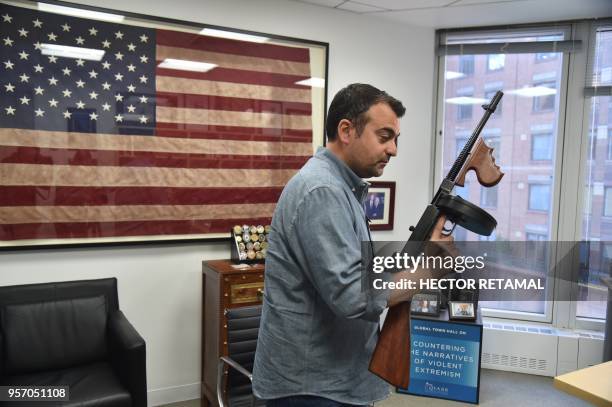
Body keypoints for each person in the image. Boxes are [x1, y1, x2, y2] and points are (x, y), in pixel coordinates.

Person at [252, 83, 453, 406]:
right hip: (314, 387)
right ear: (346, 130)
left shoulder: (341, 188)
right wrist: (428, 272)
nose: (394, 150)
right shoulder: (322, 190)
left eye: (395, 139)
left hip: (333, 379)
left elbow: (354, 267)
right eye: (384, 137)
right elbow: (352, 295)